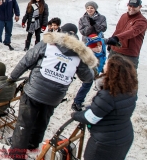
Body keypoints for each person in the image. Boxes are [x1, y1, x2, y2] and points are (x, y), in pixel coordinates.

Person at [7, 24, 96, 159]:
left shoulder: (47, 44)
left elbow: (26, 61)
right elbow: (88, 78)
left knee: (24, 121)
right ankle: (32, 144)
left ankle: (16, 153)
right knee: (43, 120)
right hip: (55, 96)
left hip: (34, 90)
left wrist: (13, 77)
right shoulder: (79, 54)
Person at [71, 54, 138, 160]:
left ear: (112, 71)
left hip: (105, 144)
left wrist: (75, 115)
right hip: (125, 137)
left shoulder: (108, 95)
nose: (104, 65)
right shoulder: (130, 91)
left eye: (107, 63)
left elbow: (91, 117)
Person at [107, 0, 147, 69]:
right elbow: (118, 30)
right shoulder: (124, 16)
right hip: (115, 50)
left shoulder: (142, 21)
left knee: (128, 77)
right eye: (130, 6)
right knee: (110, 74)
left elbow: (132, 32)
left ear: (140, 7)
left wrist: (116, 38)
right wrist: (111, 43)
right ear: (127, 5)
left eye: (134, 6)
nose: (131, 8)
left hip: (129, 54)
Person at [72, 33, 107, 111]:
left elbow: (104, 42)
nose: (99, 48)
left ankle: (101, 102)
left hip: (98, 70)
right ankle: (77, 102)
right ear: (90, 48)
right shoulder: (89, 55)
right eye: (95, 47)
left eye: (100, 46)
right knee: (86, 86)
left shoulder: (101, 53)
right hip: (90, 74)